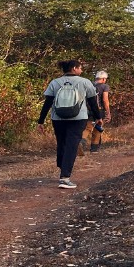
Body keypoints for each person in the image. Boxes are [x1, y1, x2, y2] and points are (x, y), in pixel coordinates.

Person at [37, 60, 99, 188]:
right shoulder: (85, 82)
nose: (81, 71)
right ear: (74, 68)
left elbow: (47, 103)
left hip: (58, 118)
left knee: (62, 143)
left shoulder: (55, 82)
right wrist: (98, 117)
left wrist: (41, 121)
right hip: (78, 118)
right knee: (72, 145)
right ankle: (65, 178)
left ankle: (62, 166)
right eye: (80, 68)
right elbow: (92, 102)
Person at [89, 70, 111, 151]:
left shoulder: (90, 85)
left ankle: (81, 142)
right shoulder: (104, 86)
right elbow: (105, 100)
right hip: (99, 109)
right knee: (98, 127)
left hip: (89, 110)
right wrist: (108, 112)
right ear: (104, 79)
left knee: (87, 128)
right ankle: (94, 148)